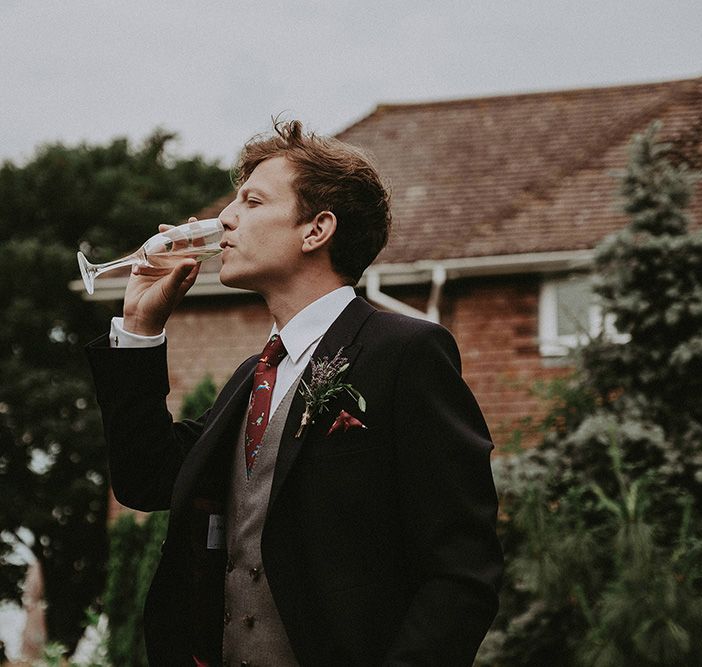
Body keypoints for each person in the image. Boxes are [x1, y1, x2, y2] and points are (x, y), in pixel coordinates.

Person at [86, 120, 502, 666]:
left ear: (316, 230)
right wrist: (140, 327)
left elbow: (462, 569)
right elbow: (147, 479)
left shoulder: (406, 353)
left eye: (252, 202)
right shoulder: (250, 380)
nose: (224, 219)